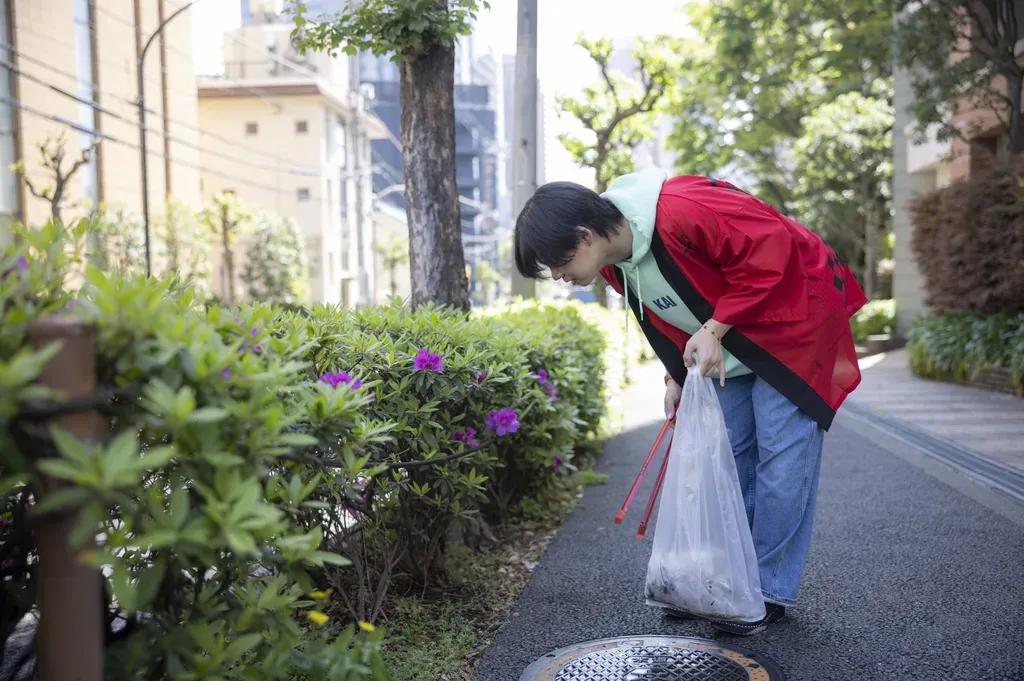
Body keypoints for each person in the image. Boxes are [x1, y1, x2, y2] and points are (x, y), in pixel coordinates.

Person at [513, 168, 866, 635]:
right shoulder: (616, 264)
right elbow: (664, 317)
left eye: (558, 264)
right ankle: (724, 583)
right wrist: (675, 376)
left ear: (584, 235)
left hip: (792, 325)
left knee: (782, 461)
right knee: (727, 459)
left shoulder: (682, 209)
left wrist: (715, 329)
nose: (559, 276)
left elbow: (772, 252)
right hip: (731, 342)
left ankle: (765, 590)